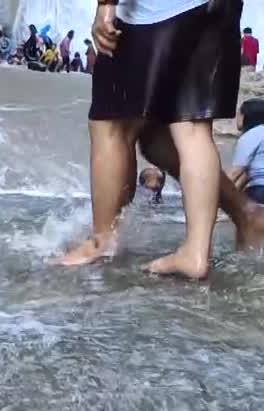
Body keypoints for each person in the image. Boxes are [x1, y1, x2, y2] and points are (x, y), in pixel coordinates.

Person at [60, 0, 263, 277]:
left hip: (157, 12)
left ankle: (101, 242)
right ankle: (223, 231)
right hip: (217, 9)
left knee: (111, 125)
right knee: (172, 133)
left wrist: (105, 7)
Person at [229, 100, 264, 203]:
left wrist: (211, 193)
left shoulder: (252, 134)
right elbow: (245, 176)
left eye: (239, 113)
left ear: (245, 116)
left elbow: (235, 173)